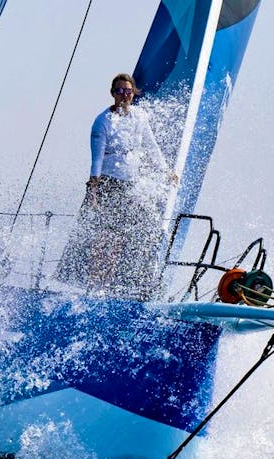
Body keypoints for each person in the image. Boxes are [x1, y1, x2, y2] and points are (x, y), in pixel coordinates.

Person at [55, 73, 177, 298]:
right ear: (112, 93)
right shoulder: (103, 121)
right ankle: (94, 285)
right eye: (120, 91)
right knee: (104, 237)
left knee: (123, 236)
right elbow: (97, 159)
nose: (124, 95)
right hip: (108, 185)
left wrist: (166, 171)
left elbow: (151, 146)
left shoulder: (140, 116)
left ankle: (112, 285)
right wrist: (93, 189)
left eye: (128, 91)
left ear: (134, 93)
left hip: (130, 185)